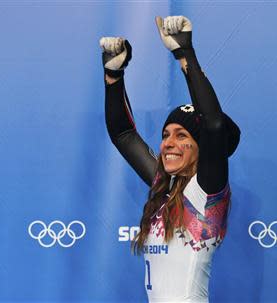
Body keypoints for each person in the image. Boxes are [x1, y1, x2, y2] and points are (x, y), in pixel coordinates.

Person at [100, 16, 241, 303]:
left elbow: (213, 124)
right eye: (166, 134)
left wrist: (184, 53)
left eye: (181, 136)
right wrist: (113, 76)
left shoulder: (206, 192)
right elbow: (123, 134)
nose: (168, 144)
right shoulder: (165, 187)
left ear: (203, 148)